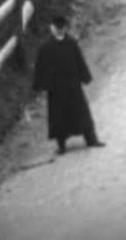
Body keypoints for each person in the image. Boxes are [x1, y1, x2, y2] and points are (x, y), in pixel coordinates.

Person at [31, 15, 105, 155]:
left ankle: (91, 139)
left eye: (62, 28)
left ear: (65, 28)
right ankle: (61, 145)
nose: (59, 30)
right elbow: (40, 68)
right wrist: (41, 85)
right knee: (58, 117)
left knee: (82, 112)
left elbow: (79, 60)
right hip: (56, 88)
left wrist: (85, 77)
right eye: (56, 28)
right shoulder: (45, 47)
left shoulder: (71, 43)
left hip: (73, 85)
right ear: (51, 28)